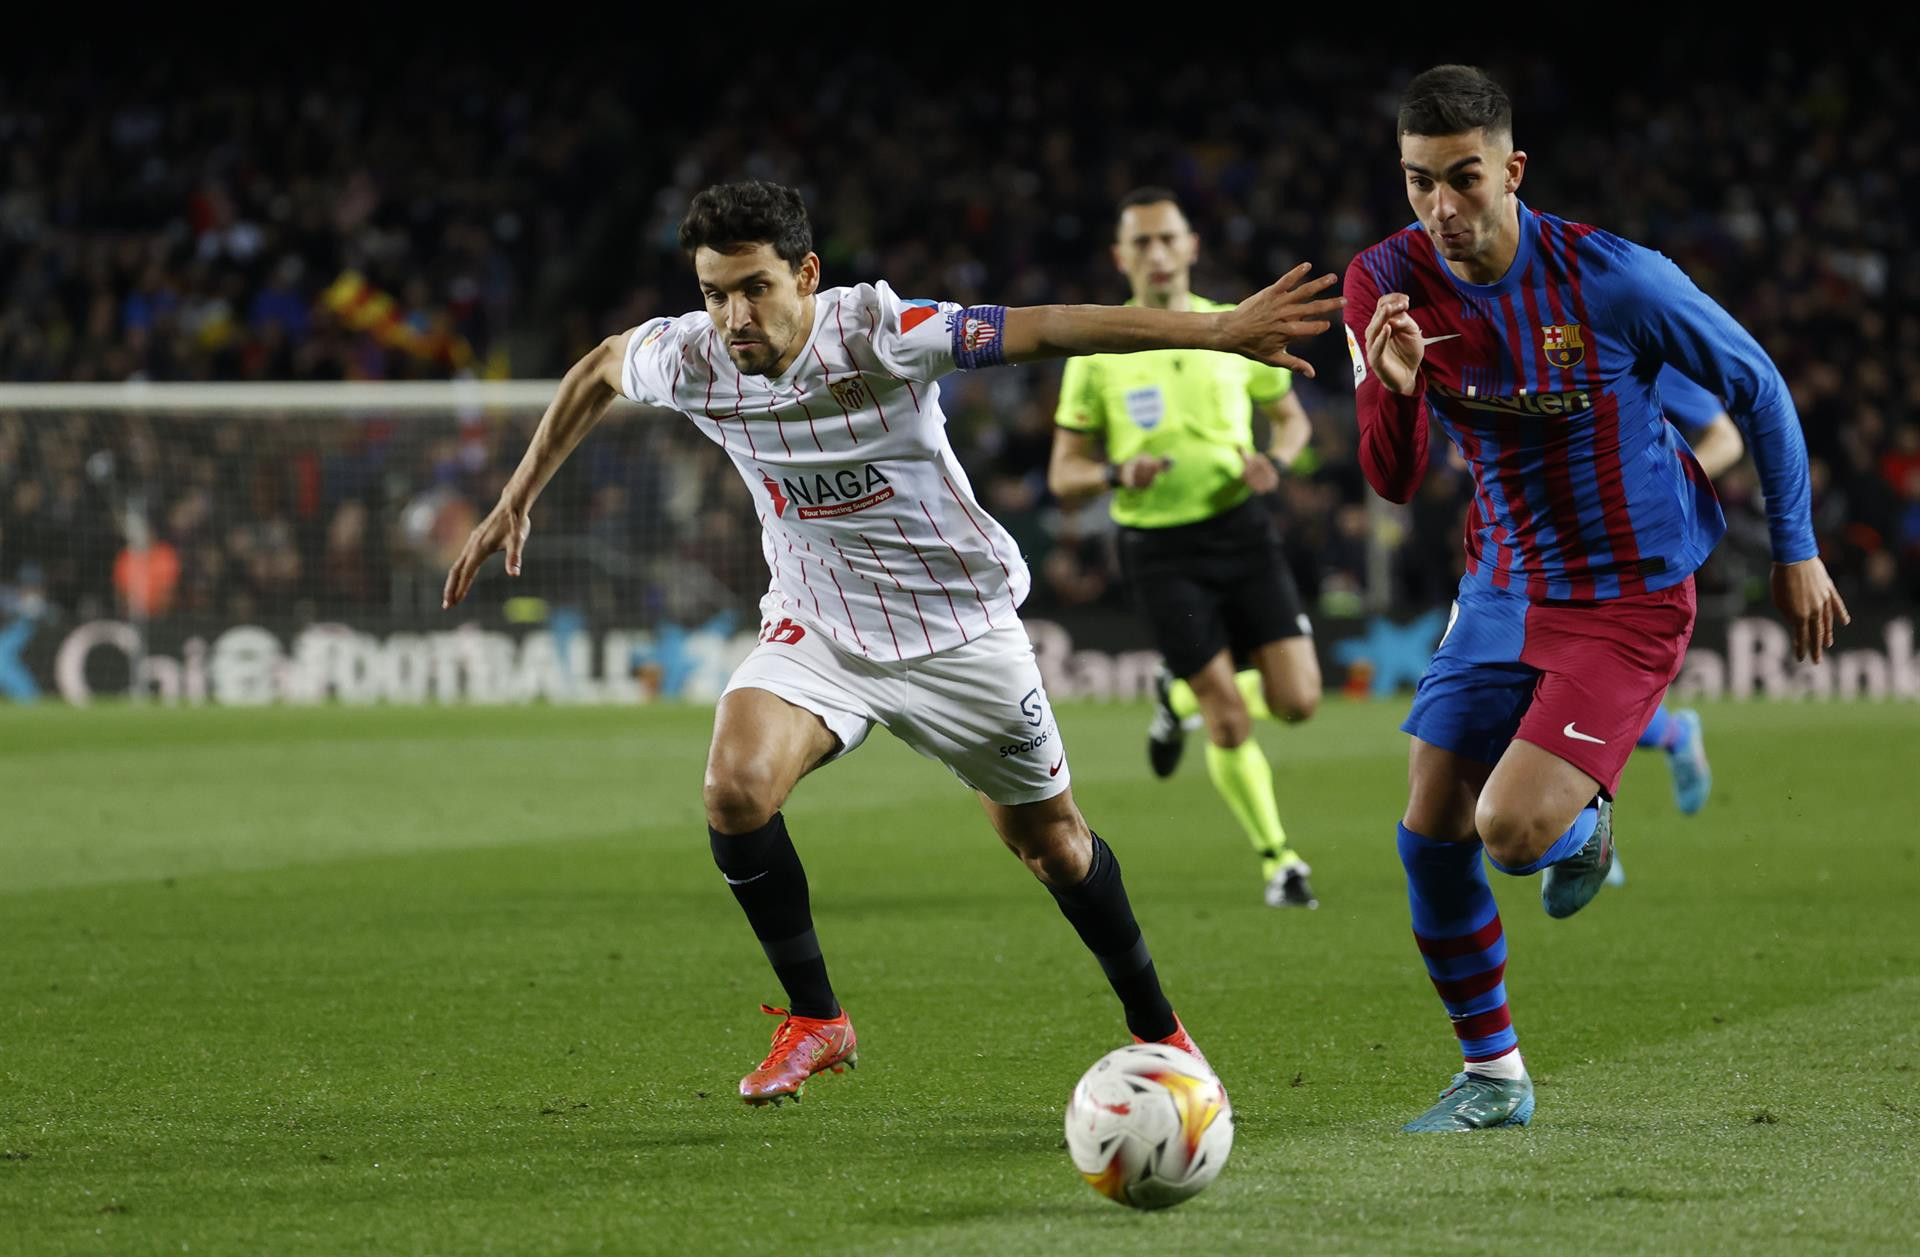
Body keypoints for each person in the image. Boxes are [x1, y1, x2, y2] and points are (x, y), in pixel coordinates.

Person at [443, 180, 1342, 1106]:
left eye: (754, 287)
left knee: (1056, 849)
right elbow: (596, 366)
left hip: (961, 631)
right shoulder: (693, 358)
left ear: (807, 273)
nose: (733, 315)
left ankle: (1160, 1028)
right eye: (714, 292)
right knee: (734, 788)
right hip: (820, 625)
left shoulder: (883, 330)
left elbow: (1050, 327)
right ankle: (817, 1018)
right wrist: (519, 494)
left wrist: (1217, 329)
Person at [1343, 66, 1848, 1132]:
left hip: (1627, 595)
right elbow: (1389, 480)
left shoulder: (1615, 279)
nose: (1442, 209)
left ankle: (1583, 826)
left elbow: (1756, 386)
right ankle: (1495, 1077)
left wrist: (1796, 550)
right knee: (1428, 831)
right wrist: (1391, 393)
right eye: (1419, 183)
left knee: (1510, 832)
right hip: (1501, 583)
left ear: (1512, 171)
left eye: (1465, 181)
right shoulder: (1382, 285)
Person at [1049, 187, 1322, 909]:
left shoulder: (1235, 328)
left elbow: (1292, 422)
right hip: (1159, 549)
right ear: (1120, 257)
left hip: (1241, 529)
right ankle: (1281, 859)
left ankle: (1174, 695)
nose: (1158, 253)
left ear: (1192, 245)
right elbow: (1063, 476)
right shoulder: (1098, 350)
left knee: (1300, 701)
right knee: (1229, 716)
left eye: (1168, 238)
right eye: (1141, 242)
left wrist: (1280, 462)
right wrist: (1114, 471)